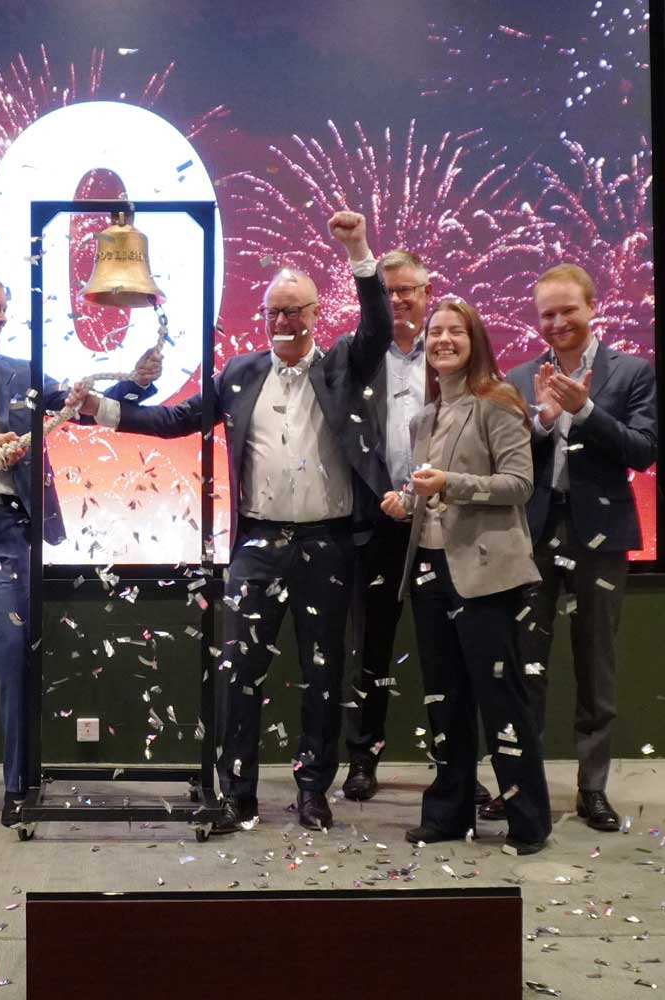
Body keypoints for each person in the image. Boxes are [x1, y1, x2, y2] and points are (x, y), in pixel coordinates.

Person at [73, 211, 391, 835]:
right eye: (273, 312)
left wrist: (358, 252)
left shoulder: (343, 366)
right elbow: (175, 421)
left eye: (294, 311)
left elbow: (378, 326)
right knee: (238, 670)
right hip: (259, 543)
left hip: (328, 545)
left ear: (315, 313)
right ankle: (238, 792)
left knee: (324, 671)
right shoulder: (242, 374)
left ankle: (311, 789)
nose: (283, 322)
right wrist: (101, 409)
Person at [0, 274, 159, 826]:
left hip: (3, 526)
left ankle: (19, 783)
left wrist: (134, 384)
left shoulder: (23, 374)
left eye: (4, 310)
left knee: (13, 650)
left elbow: (82, 406)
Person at [382, 298, 551, 854]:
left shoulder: (498, 403)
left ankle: (529, 820)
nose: (443, 341)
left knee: (502, 700)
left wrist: (448, 483)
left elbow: (518, 485)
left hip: (485, 576)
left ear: (475, 341)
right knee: (444, 701)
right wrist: (405, 503)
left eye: (456, 332)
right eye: (435, 333)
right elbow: (427, 492)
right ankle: (448, 814)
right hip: (429, 571)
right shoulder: (422, 417)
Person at [339, 251, 497, 810]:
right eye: (388, 293)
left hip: (444, 519)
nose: (399, 300)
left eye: (408, 291)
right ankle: (363, 759)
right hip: (379, 521)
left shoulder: (448, 358)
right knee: (371, 649)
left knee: (454, 651)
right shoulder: (360, 357)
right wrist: (392, 498)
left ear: (429, 294)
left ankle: (457, 767)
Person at [504, 263, 658, 832]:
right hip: (535, 532)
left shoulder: (632, 373)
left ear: (592, 307)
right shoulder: (520, 377)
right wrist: (543, 422)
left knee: (596, 662)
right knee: (525, 663)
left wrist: (585, 412)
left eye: (568, 309)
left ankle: (592, 788)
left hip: (601, 535)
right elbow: (506, 454)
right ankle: (525, 787)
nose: (558, 322)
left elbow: (643, 451)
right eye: (547, 313)